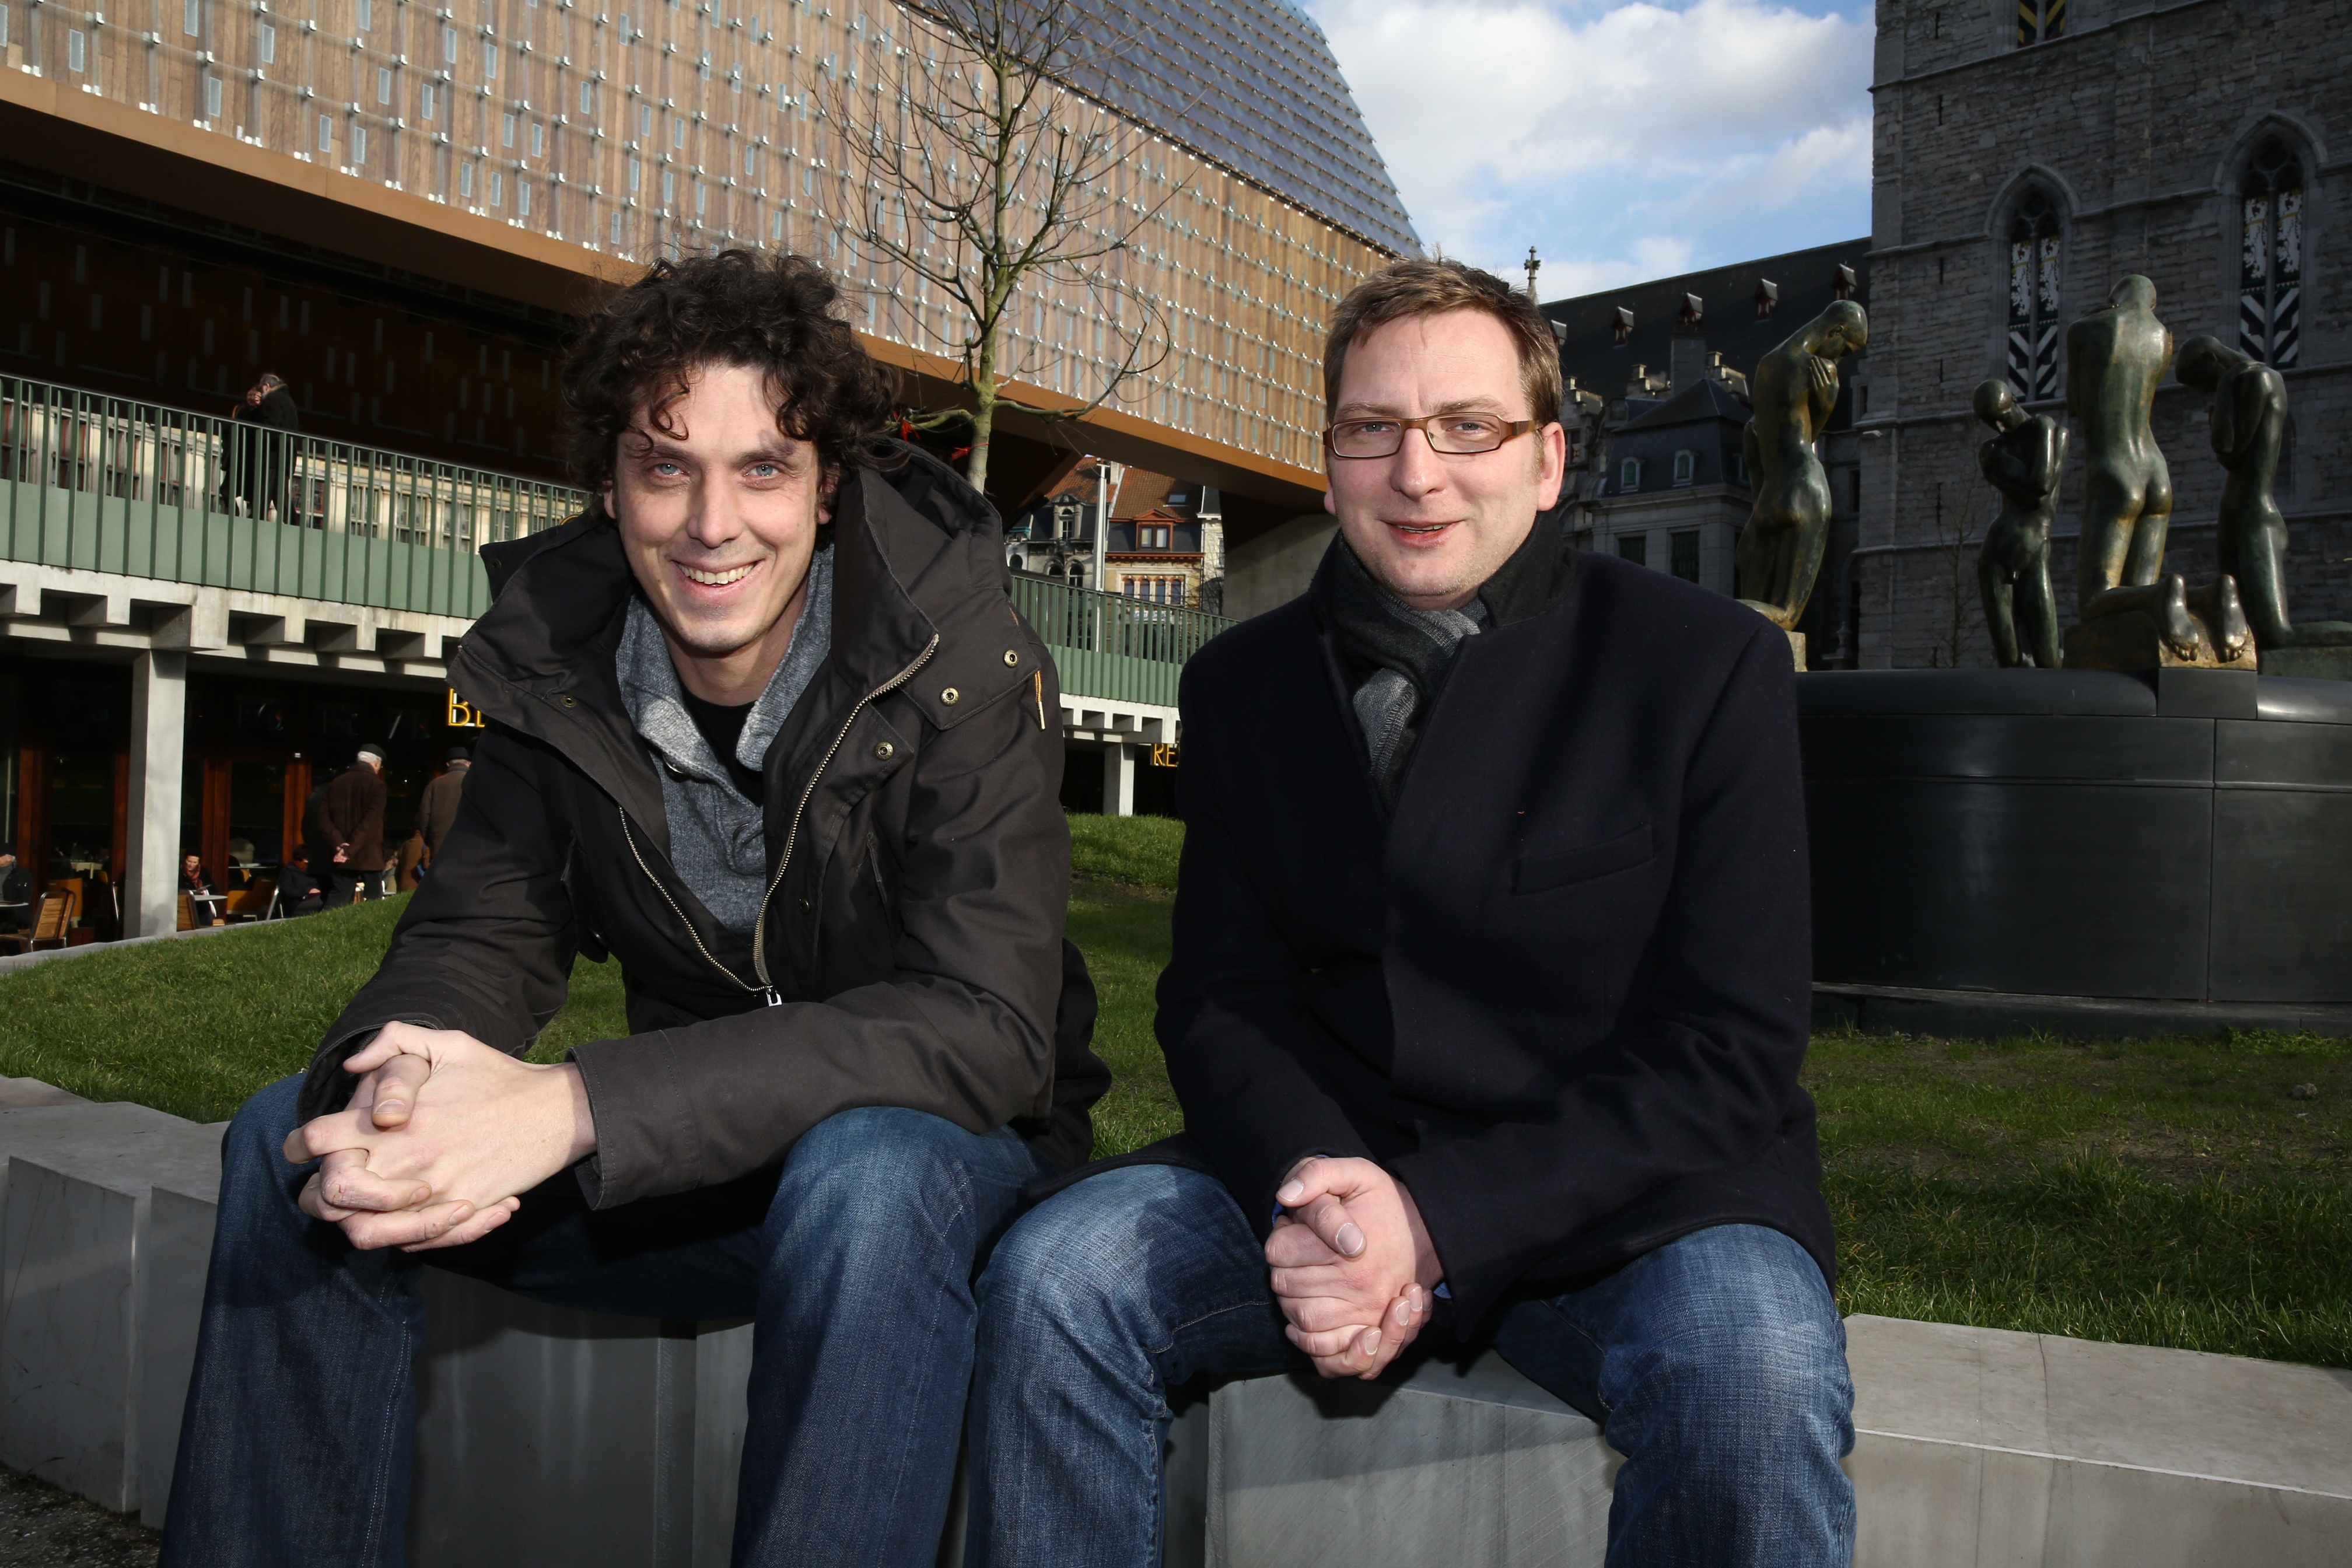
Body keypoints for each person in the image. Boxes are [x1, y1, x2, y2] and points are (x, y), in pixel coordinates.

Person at [160, 249, 1104, 1568]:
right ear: (611, 486)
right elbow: (477, 935)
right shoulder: (560, 661)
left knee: (867, 1173)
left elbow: (986, 1026)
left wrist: (578, 1105)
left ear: (827, 485)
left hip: (944, 1164)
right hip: (698, 1161)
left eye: (762, 468)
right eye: (667, 468)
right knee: (301, 1140)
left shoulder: (959, 654)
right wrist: (402, 1075)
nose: (714, 523)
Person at [966, 259, 1852, 1568]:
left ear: (1548, 461)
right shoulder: (1242, 684)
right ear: (1329, 467)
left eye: (1466, 428)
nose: (1416, 473)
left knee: (1755, 1371)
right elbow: (1219, 1000)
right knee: (1057, 1278)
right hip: (1327, 1165)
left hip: (1637, 1195)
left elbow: (1731, 1045)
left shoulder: (1704, 665)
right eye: (1371, 429)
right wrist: (1338, 1205)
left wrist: (1434, 1219)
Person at [319, 744, 388, 905]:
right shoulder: (377, 785)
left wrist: (339, 844)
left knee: (339, 897)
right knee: (374, 900)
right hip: (368, 853)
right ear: (377, 763)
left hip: (340, 854)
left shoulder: (336, 783)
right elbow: (370, 822)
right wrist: (349, 850)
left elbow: (323, 819)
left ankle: (330, 923)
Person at [416, 747, 472, 865]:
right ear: (469, 764)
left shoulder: (434, 785)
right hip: (473, 848)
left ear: (447, 764)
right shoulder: (479, 783)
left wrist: (433, 841)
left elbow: (423, 819)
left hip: (441, 849)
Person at [276, 845, 325, 918]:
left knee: (331, 899)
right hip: (297, 904)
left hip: (315, 897)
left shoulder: (314, 872)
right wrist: (308, 891)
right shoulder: (287, 872)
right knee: (323, 901)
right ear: (301, 860)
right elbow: (288, 891)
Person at [180, 854, 227, 926]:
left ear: (198, 863)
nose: (191, 865)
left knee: (206, 910)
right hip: (185, 902)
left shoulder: (203, 871)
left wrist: (204, 891)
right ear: (185, 860)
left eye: (195, 863)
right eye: (189, 861)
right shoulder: (179, 870)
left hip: (201, 903)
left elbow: (213, 890)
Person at [0, 850, 29, 933]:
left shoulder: (21, 875)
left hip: (10, 913)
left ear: (9, 858)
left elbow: (24, 899)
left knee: (9, 926)